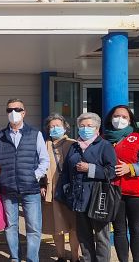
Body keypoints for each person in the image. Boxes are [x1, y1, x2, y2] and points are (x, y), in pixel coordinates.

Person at [0, 99, 50, 262]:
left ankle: (32, 259)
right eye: (10, 109)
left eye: (17, 109)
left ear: (24, 112)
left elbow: (44, 160)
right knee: (11, 226)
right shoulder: (0, 136)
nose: (13, 113)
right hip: (8, 187)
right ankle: (15, 257)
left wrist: (35, 176)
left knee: (34, 228)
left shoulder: (35, 133)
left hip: (30, 188)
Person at [57, 112, 117, 262]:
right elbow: (66, 171)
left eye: (89, 126)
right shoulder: (74, 147)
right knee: (83, 236)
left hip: (97, 198)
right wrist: (65, 191)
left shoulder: (104, 145)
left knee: (101, 236)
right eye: (82, 126)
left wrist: (90, 168)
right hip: (78, 198)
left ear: (97, 129)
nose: (85, 129)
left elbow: (112, 171)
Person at [103, 105, 139, 262]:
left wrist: (130, 168)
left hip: (136, 191)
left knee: (136, 229)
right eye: (116, 116)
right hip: (114, 190)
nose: (119, 119)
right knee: (118, 230)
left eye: (124, 117)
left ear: (130, 120)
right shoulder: (103, 139)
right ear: (110, 118)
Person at [41, 114, 80, 262]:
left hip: (71, 192)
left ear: (65, 128)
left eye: (58, 125)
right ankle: (61, 256)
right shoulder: (44, 145)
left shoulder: (74, 144)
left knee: (73, 226)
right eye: (51, 126)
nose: (54, 128)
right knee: (56, 227)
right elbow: (39, 167)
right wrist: (41, 185)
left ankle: (75, 257)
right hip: (52, 191)